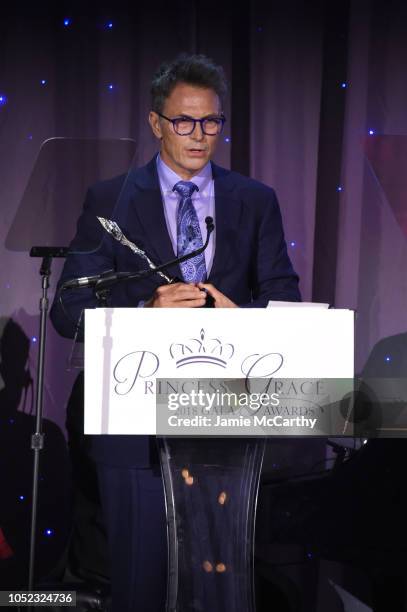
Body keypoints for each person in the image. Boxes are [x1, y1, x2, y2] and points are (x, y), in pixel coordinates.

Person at [50, 53, 301, 612]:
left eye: (211, 122)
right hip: (131, 417)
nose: (199, 135)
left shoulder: (255, 200)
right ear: (156, 123)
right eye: (184, 121)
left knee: (219, 579)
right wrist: (146, 307)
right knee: (140, 581)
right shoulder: (110, 198)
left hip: (223, 419)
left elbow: (287, 300)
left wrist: (246, 318)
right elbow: (68, 310)